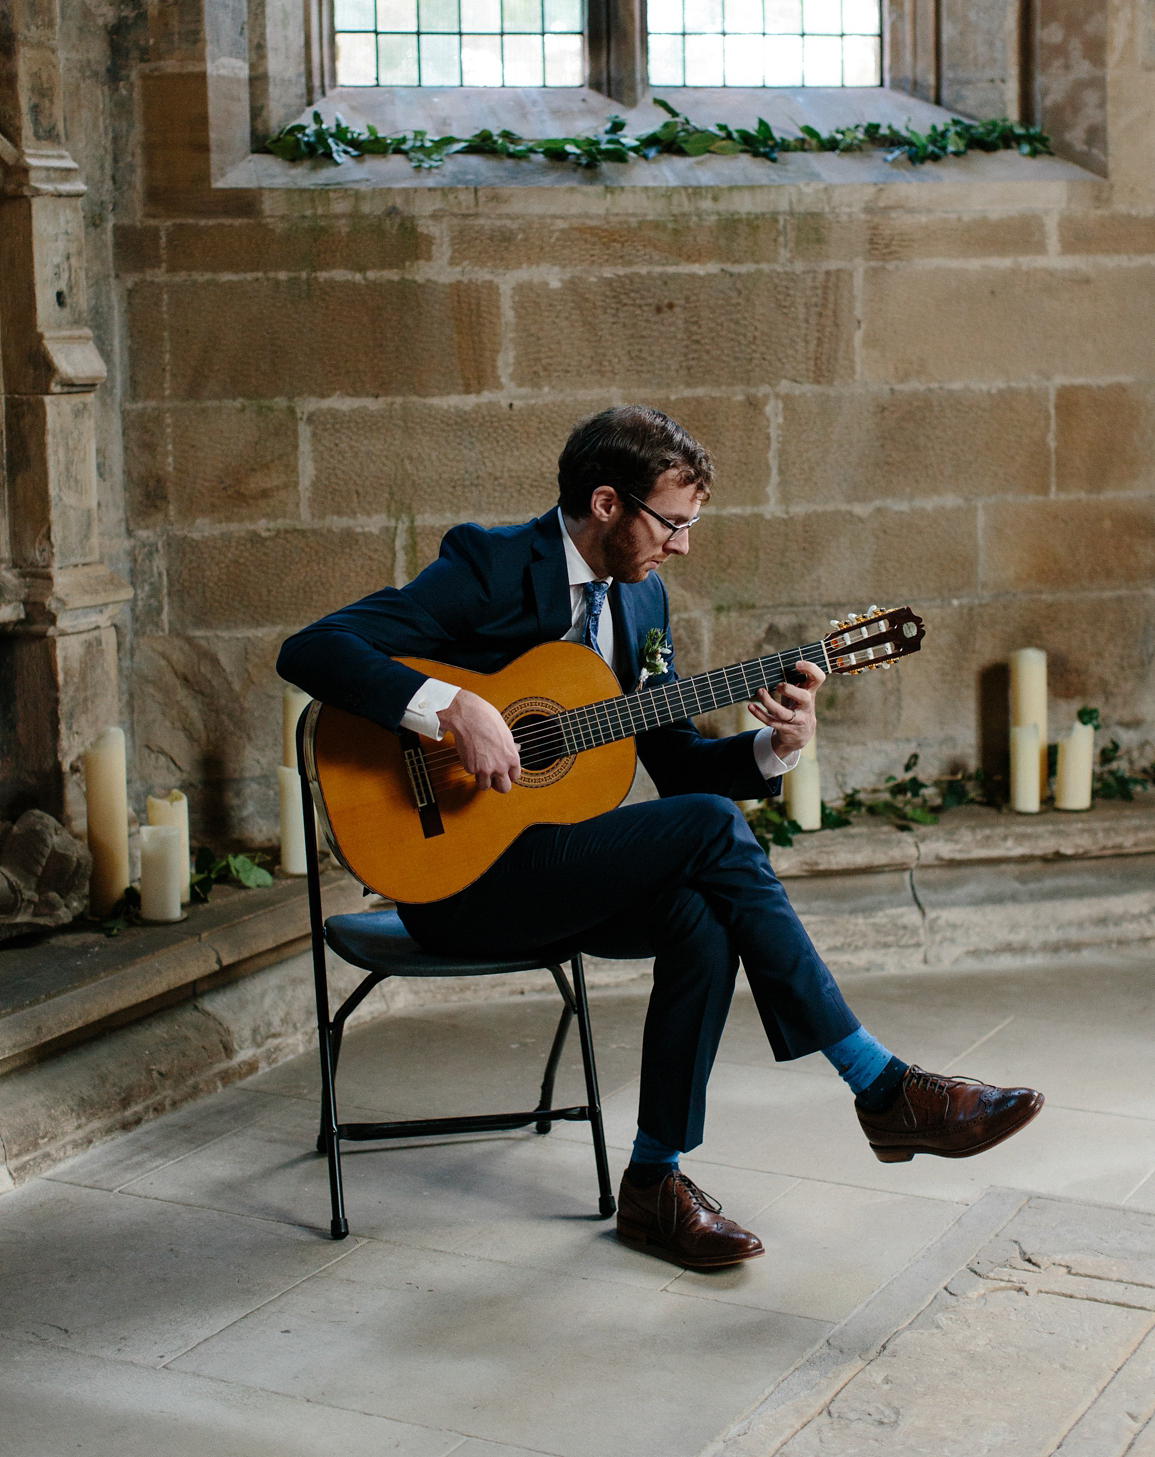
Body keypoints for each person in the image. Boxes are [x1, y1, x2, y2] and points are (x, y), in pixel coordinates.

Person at [278, 405, 1043, 1270]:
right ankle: (879, 1084)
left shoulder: (642, 596)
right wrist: (452, 710)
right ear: (607, 503)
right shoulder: (490, 565)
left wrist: (773, 748)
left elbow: (673, 762)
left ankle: (653, 1184)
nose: (682, 546)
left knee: (699, 909)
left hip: (556, 872)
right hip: (454, 884)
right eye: (673, 524)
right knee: (713, 835)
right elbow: (314, 649)